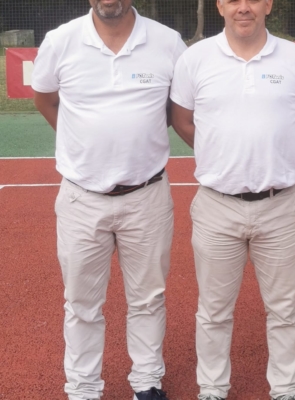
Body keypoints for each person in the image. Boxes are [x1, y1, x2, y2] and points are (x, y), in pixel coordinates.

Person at [31, 1, 186, 399]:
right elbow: (45, 99)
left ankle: (147, 383)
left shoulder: (168, 42)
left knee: (148, 299)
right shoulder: (60, 41)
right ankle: (83, 388)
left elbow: (175, 107)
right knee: (81, 302)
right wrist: (83, 144)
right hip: (82, 197)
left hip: (147, 195)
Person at [170, 0, 295, 399]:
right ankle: (212, 388)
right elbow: (182, 119)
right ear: (220, 6)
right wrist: (219, 155)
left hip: (280, 205)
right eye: (233, 0)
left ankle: (285, 389)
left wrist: (273, 152)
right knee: (213, 310)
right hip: (217, 205)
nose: (244, 8)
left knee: (284, 310)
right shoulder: (195, 58)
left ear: (268, 4)